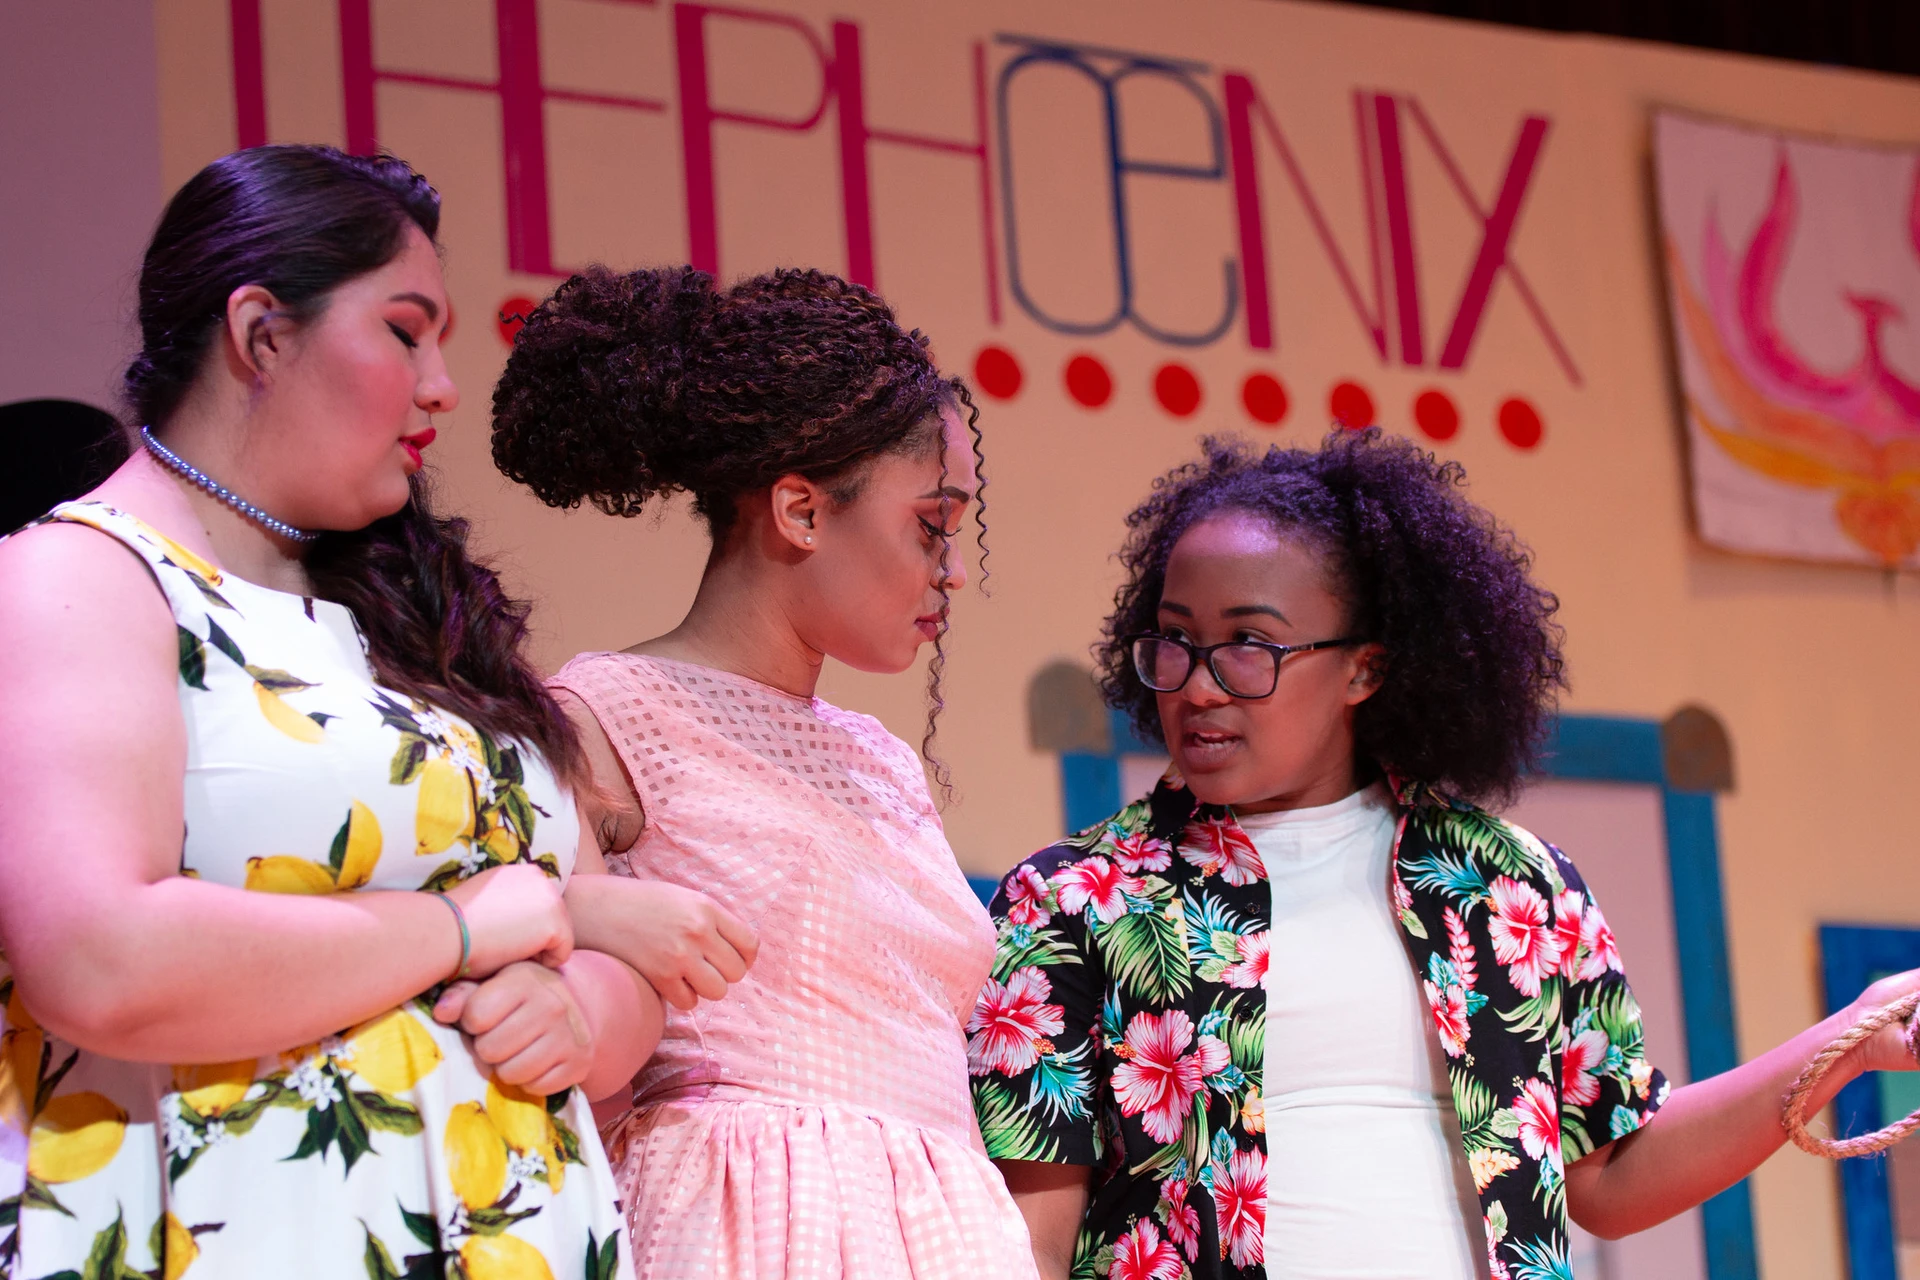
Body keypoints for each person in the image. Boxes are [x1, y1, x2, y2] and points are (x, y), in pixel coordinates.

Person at [969, 431, 1920, 1280]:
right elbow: (1031, 1239)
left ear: (1365, 667)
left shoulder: (1513, 884)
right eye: (1176, 643)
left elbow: (1613, 1172)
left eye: (1249, 645)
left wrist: (1855, 1037)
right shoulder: (1072, 901)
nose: (1200, 686)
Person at [0, 145, 657, 1280]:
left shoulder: (427, 618)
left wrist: (586, 1010)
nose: (443, 383)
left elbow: (602, 922)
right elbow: (98, 956)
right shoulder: (82, 576)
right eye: (405, 331)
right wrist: (455, 930)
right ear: (260, 332)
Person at [490, 264, 1039, 1279]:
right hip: (748, 1223)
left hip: (941, 1223)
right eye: (931, 525)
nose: (951, 570)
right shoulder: (607, 713)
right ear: (798, 508)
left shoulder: (878, 756)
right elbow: (544, 995)